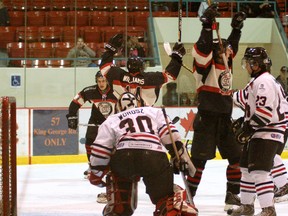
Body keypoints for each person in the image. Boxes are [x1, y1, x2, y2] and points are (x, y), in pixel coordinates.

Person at [88, 92, 198, 216]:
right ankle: (168, 209)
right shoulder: (154, 111)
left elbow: (101, 150)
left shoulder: (112, 119)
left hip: (124, 158)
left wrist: (96, 173)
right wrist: (182, 160)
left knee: (120, 200)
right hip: (154, 157)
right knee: (164, 199)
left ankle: (119, 207)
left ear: (118, 107)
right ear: (138, 103)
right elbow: (172, 138)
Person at [186, 3, 247, 211]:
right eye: (222, 47)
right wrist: (207, 26)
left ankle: (232, 196)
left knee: (237, 157)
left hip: (224, 118)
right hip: (207, 118)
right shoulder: (205, 63)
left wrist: (236, 28)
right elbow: (203, 48)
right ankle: (188, 197)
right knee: (199, 161)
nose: (227, 50)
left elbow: (233, 45)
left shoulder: (225, 60)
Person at [227, 47, 288, 216]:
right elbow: (241, 98)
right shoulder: (258, 81)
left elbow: (264, 112)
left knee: (259, 172)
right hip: (260, 131)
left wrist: (247, 128)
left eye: (248, 63)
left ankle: (268, 209)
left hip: (267, 131)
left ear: (256, 64)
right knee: (246, 169)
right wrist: (224, 91)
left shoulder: (264, 82)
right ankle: (247, 206)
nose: (246, 66)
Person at [100, 34, 186, 106]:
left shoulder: (117, 75)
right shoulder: (151, 78)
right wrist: (177, 58)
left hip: (124, 115)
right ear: (142, 67)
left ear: (127, 66)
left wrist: (110, 49)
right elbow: (170, 75)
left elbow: (104, 67)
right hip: (146, 114)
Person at [66, 71, 117, 178]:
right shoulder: (90, 91)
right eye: (99, 81)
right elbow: (75, 102)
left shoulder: (116, 90)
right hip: (95, 121)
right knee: (89, 141)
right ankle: (92, 166)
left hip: (112, 122)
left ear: (107, 81)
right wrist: (71, 116)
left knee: (115, 145)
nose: (101, 84)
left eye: (103, 81)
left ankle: (113, 166)